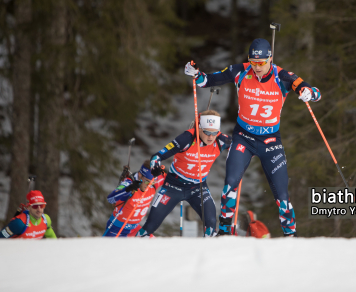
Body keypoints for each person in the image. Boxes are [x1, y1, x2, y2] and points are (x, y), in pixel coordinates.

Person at [184, 38, 321, 236]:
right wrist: (196, 74)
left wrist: (308, 92)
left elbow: (313, 91)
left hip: (270, 141)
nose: (257, 67)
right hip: (244, 138)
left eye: (262, 63)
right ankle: (223, 232)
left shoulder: (282, 76)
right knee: (230, 184)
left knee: (282, 195)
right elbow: (208, 80)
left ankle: (291, 236)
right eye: (253, 62)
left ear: (270, 59)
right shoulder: (241, 70)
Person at [138, 109, 232, 237]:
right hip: (173, 186)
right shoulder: (186, 139)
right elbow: (157, 156)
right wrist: (155, 166)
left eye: (214, 133)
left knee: (211, 224)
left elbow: (244, 147)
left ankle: (209, 255)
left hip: (198, 187)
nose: (210, 137)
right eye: (206, 132)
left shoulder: (221, 141)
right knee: (149, 226)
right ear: (199, 128)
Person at [103, 161, 165, 237]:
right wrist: (128, 189)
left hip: (135, 229)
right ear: (140, 175)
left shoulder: (155, 181)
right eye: (147, 182)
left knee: (155, 245)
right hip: (117, 230)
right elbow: (110, 199)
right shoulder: (128, 183)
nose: (148, 186)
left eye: (151, 183)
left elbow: (171, 177)